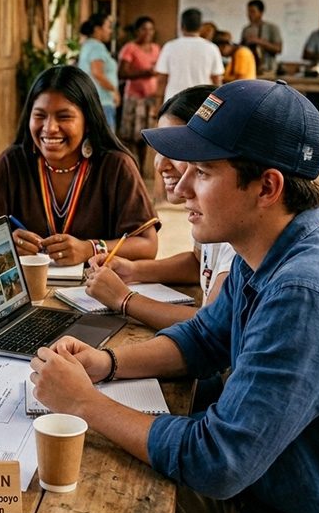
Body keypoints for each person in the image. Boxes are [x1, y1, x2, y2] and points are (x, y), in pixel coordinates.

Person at [30, 79, 319, 513]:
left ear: (267, 187)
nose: (180, 189)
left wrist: (85, 403)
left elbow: (217, 462)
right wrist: (107, 364)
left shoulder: (306, 293)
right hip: (286, 498)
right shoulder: (271, 247)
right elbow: (205, 337)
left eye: (202, 171)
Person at [0, 65, 159, 264]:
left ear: (88, 121)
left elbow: (147, 245)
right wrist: (4, 246)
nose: (49, 128)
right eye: (40, 116)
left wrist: (90, 248)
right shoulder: (13, 162)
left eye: (64, 116)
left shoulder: (116, 166)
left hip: (96, 290)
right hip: (27, 290)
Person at [84, 84, 235, 330]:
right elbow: (200, 262)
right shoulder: (209, 212)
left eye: (175, 150)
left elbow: (214, 328)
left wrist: (124, 299)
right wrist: (133, 270)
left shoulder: (235, 226)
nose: (160, 164)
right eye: (159, 150)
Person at [154, 8, 223, 105]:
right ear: (200, 27)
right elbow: (217, 80)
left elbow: (162, 79)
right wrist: (215, 105)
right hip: (202, 102)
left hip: (174, 102)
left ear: (181, 26)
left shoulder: (169, 47)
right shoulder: (211, 48)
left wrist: (158, 103)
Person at [117, 16, 161, 149]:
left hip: (151, 97)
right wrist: (144, 73)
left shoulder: (156, 48)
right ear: (137, 31)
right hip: (135, 97)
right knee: (132, 136)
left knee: (147, 136)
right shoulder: (130, 48)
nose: (147, 33)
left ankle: (142, 167)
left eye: (150, 29)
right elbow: (122, 73)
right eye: (144, 29)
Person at [76, 15, 120, 130]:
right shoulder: (97, 47)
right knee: (105, 140)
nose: (110, 31)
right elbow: (97, 73)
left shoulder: (88, 45)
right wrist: (114, 90)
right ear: (97, 29)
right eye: (108, 27)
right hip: (102, 101)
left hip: (92, 99)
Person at [240, 0, 283, 75]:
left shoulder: (272, 28)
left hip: (268, 68)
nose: (250, 15)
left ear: (261, 12)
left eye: (253, 12)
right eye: (248, 12)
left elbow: (278, 49)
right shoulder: (246, 29)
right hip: (249, 69)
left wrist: (259, 41)